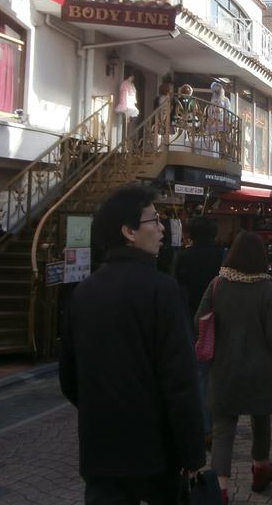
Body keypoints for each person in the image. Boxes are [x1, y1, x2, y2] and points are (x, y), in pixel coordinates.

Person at [59, 184, 205, 505]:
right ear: (128, 231)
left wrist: (103, 408)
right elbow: (180, 381)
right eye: (153, 221)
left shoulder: (83, 292)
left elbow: (69, 378)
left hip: (100, 450)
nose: (162, 228)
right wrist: (193, 453)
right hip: (154, 454)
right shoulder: (161, 290)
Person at [195, 232, 272, 501]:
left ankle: (221, 488)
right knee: (261, 421)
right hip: (260, 368)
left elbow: (199, 319)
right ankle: (259, 469)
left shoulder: (218, 284)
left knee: (223, 430)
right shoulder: (268, 289)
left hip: (224, 366)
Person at [173, 216, 225, 446]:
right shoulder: (222, 255)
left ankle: (206, 428)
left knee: (201, 373)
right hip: (222, 319)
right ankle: (223, 421)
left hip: (193, 320)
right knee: (221, 370)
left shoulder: (182, 256)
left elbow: (177, 291)